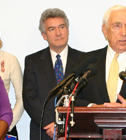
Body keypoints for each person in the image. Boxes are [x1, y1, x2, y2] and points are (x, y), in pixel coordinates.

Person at [23, 8, 83, 140]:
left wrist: (67, 127)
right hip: (43, 132)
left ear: (67, 30)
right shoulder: (32, 61)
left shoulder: (84, 60)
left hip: (76, 132)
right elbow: (29, 98)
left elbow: (86, 96)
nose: (58, 33)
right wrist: (51, 125)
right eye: (51, 29)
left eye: (62, 27)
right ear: (44, 35)